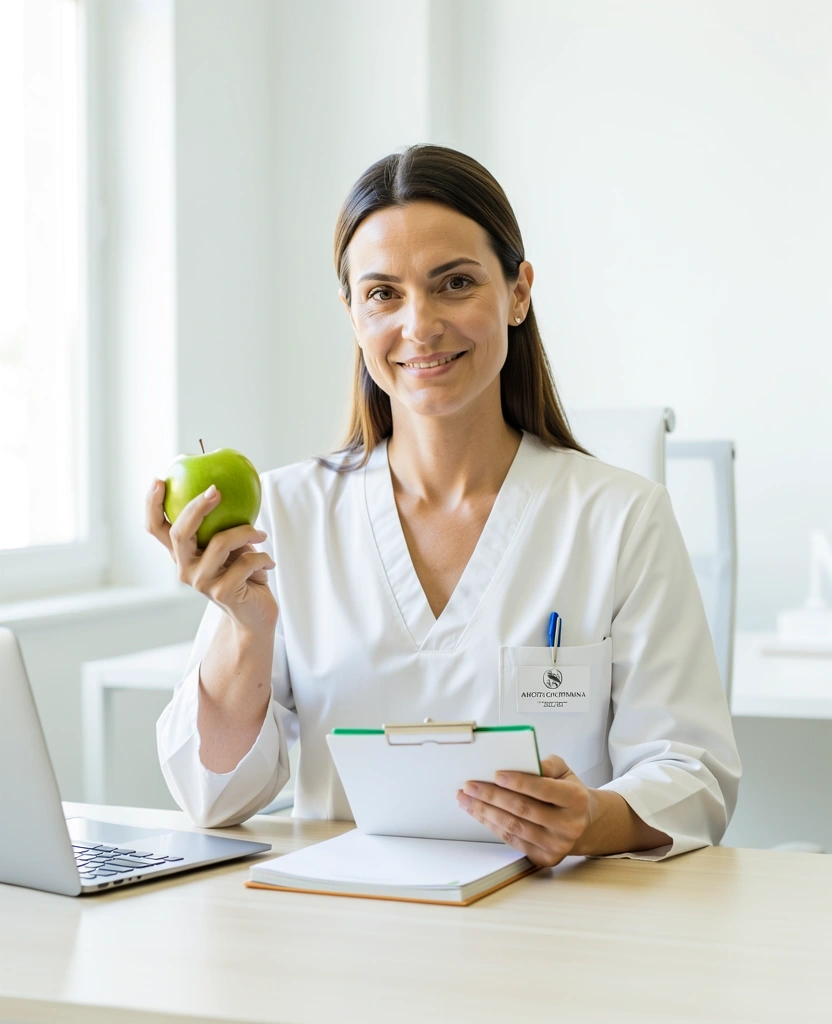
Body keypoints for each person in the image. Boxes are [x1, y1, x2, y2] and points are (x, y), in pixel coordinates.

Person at [148, 144, 741, 866]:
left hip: (554, 937)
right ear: (353, 313)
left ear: (518, 292)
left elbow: (693, 772)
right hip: (340, 941)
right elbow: (211, 799)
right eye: (382, 294)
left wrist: (593, 819)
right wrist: (244, 627)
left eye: (454, 283)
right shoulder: (285, 515)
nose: (419, 325)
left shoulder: (621, 518)